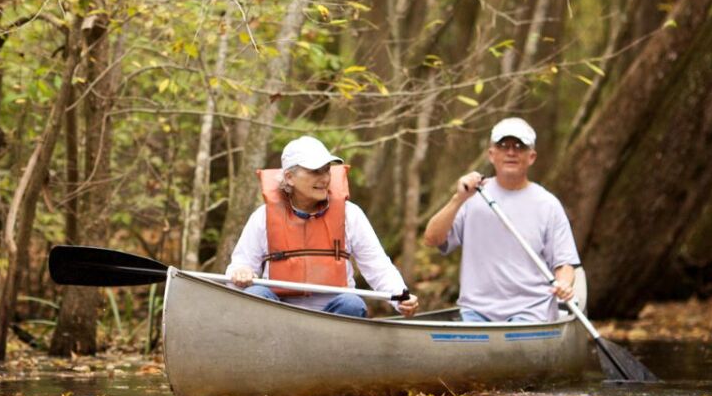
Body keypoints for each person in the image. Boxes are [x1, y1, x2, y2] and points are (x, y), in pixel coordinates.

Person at [227, 136, 419, 318]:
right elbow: (240, 265)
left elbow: (377, 266)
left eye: (326, 170)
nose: (324, 178)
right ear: (289, 177)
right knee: (255, 293)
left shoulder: (350, 214)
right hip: (280, 310)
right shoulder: (263, 217)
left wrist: (400, 297)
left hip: (333, 311)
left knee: (353, 303)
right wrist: (241, 272)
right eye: (314, 171)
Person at [423, 117, 579, 323]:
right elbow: (432, 239)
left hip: (531, 311)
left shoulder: (548, 204)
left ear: (531, 156)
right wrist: (457, 198)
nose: (511, 152)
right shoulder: (471, 197)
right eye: (503, 146)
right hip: (476, 311)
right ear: (491, 154)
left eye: (519, 146)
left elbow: (564, 262)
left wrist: (564, 284)